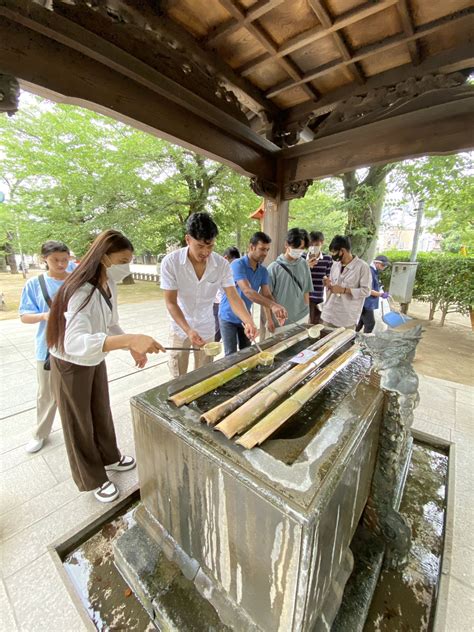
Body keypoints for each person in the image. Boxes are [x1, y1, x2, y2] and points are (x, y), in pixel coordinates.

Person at [47, 230, 164, 503]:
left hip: (94, 358)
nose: (127, 265)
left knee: (100, 409)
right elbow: (75, 342)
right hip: (71, 363)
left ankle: (110, 457)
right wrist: (131, 339)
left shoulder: (108, 282)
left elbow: (111, 323)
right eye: (123, 259)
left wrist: (131, 347)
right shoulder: (80, 290)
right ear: (104, 258)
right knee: (79, 422)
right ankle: (93, 478)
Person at [160, 212, 258, 377]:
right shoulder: (171, 263)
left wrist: (248, 321)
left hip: (206, 326)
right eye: (200, 246)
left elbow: (233, 297)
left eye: (210, 246)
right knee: (178, 375)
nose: (205, 252)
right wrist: (188, 330)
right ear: (188, 239)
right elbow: (171, 302)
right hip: (180, 326)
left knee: (204, 374)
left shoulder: (221, 264)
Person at [19, 241, 71, 453]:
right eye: (55, 260)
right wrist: (44, 316)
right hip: (47, 347)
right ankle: (40, 433)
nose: (61, 264)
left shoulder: (76, 280)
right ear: (44, 260)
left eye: (65, 260)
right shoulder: (35, 284)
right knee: (47, 394)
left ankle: (77, 432)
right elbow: (24, 316)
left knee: (76, 394)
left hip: (77, 346)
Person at [219, 232, 287, 355]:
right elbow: (248, 291)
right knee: (230, 355)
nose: (265, 253)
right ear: (251, 247)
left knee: (248, 352)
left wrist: (275, 311)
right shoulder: (237, 264)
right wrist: (273, 305)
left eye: (267, 249)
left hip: (246, 317)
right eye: (262, 249)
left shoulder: (263, 271)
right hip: (228, 316)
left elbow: (267, 294)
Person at [321, 235, 371, 329]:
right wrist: (327, 284)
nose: (332, 255)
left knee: (342, 343)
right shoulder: (335, 265)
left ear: (342, 251)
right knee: (325, 341)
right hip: (328, 314)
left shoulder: (362, 267)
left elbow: (366, 291)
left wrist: (344, 290)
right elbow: (332, 285)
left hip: (346, 318)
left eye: (334, 252)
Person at [266, 228, 313, 328]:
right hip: (281, 322)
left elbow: (306, 291)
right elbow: (266, 297)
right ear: (286, 244)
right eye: (296, 247)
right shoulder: (273, 268)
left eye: (302, 248)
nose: (299, 251)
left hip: (302, 317)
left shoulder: (304, 264)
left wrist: (308, 313)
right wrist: (269, 320)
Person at [356, 255, 391, 333]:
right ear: (377, 263)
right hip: (366, 302)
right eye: (383, 265)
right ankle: (363, 341)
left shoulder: (374, 271)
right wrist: (381, 294)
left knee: (360, 323)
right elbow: (369, 290)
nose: (384, 267)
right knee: (370, 324)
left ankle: (351, 339)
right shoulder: (370, 272)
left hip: (366, 302)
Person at [213, 246, 240, 342]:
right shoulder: (219, 269)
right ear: (225, 258)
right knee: (217, 331)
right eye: (233, 262)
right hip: (218, 304)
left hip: (229, 304)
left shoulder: (235, 269)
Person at [306, 231, 332, 325]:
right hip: (304, 298)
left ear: (322, 243)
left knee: (317, 326)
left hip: (319, 298)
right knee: (305, 326)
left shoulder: (327, 259)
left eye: (316, 244)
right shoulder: (301, 258)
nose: (313, 247)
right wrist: (306, 266)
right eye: (311, 244)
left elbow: (329, 279)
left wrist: (327, 281)